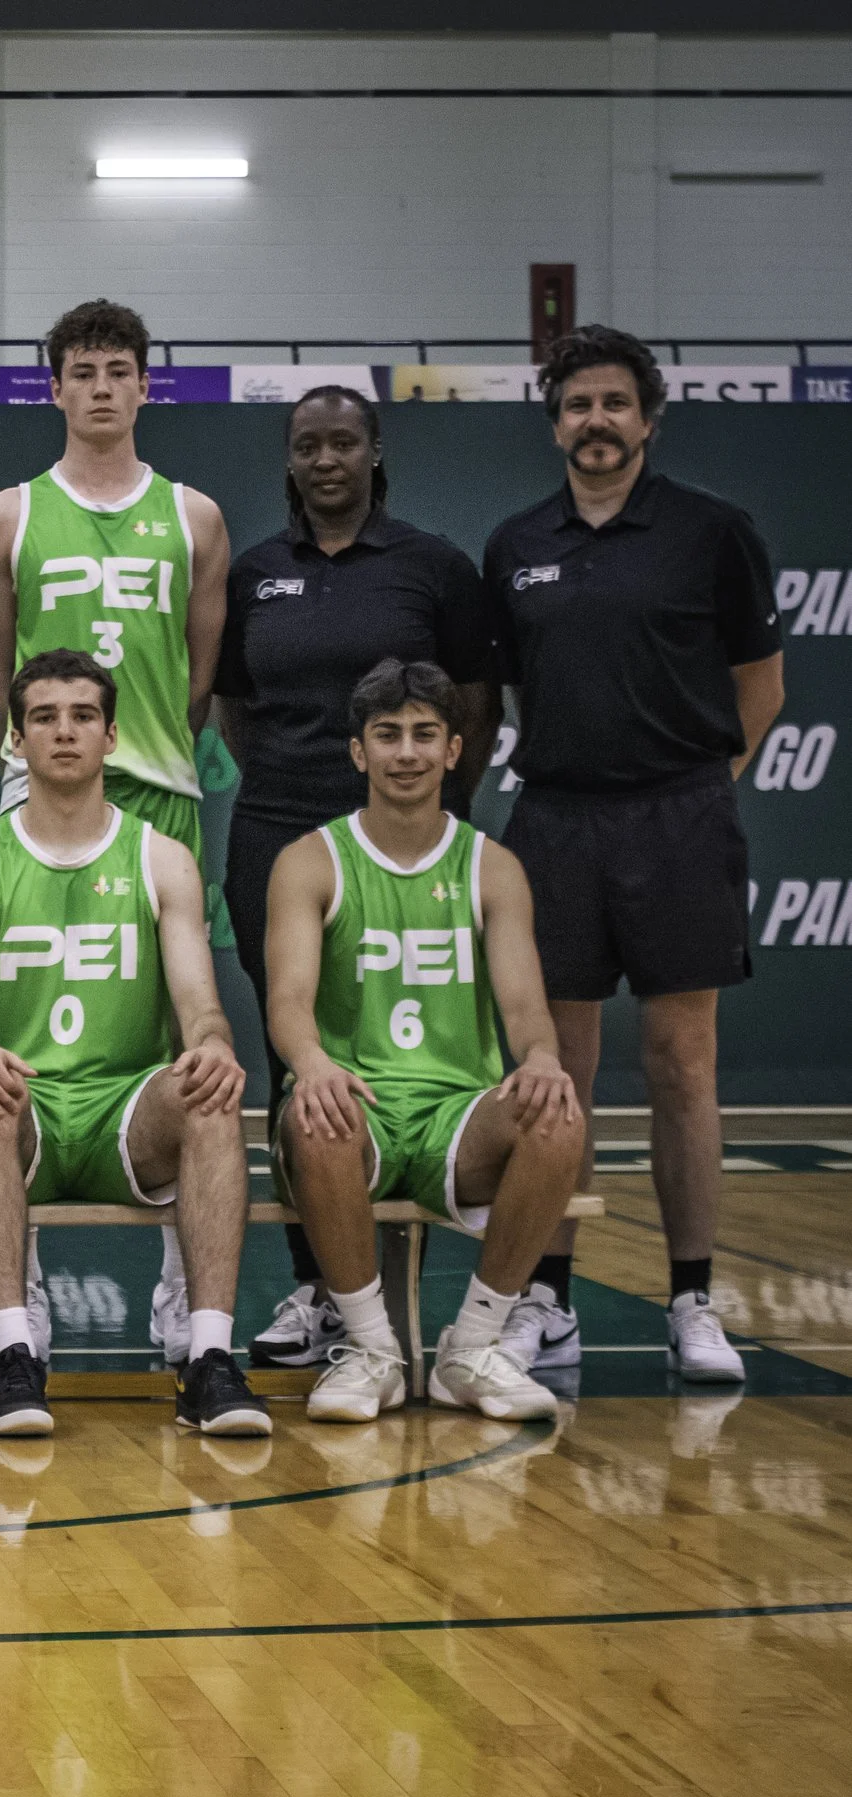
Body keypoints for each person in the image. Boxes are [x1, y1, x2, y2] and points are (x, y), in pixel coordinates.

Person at [484, 326, 781, 1383]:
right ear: (553, 420)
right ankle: (545, 1305)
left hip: (681, 821)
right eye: (576, 405)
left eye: (615, 403)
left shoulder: (712, 532)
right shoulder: (515, 545)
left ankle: (692, 1300)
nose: (595, 421)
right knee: (554, 1074)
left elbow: (761, 687)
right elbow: (516, 688)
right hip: (556, 825)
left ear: (648, 418)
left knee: (681, 1066)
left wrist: (692, 790)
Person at [212, 385, 498, 1371]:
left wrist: (423, 804)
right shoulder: (256, 575)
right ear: (289, 461)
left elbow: (471, 703)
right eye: (306, 445)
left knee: (395, 1055)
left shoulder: (432, 568)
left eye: (343, 441)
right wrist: (292, 786)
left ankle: (387, 1297)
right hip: (275, 831)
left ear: (375, 452)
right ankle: (315, 1289)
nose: (325, 458)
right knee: (296, 1061)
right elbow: (235, 708)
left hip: (402, 842)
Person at [0, 299, 231, 1366]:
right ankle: (11, 1278)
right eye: (82, 371)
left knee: (182, 1043)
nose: (102, 388)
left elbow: (199, 672)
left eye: (120, 370)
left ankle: (183, 1293)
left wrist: (147, 742)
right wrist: (35, 751)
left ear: (144, 384)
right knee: (3, 1023)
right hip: (33, 794)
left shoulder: (196, 517)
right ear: (55, 388)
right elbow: (1, 676)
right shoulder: (3, 517)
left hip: (156, 781)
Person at [0, 650, 263, 1438]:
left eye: (82, 715)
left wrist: (213, 1045)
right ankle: (15, 1354)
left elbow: (200, 1009)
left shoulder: (162, 857)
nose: (65, 731)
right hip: (26, 1112)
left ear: (112, 735)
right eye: (44, 717)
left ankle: (208, 1359)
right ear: (17, 740)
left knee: (210, 1094)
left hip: (126, 1111)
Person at [268, 660, 585, 1422]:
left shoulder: (492, 866)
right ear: (358, 753)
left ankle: (472, 1348)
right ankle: (371, 1350)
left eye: (423, 735)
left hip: (455, 1117)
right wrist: (311, 1065)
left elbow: (524, 1008)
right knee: (319, 1112)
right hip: (358, 1110)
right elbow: (288, 1001)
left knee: (558, 1114)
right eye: (387, 736)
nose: (405, 753)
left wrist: (541, 1058)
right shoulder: (311, 860)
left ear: (453, 750)